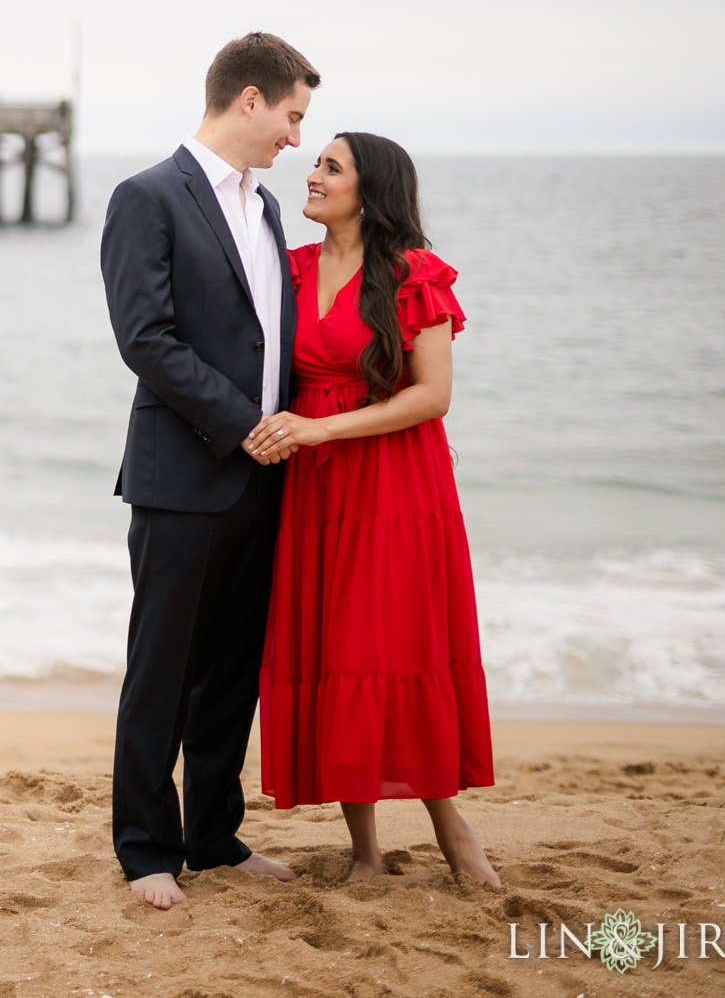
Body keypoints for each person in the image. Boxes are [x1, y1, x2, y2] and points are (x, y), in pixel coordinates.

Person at [245, 132, 501, 887]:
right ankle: (365, 851)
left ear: (372, 188)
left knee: (395, 648)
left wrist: (320, 427)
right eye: (316, 161)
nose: (313, 174)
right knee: (336, 652)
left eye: (331, 166)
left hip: (394, 483)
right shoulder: (290, 269)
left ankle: (450, 824)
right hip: (315, 490)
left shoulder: (413, 272)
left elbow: (432, 395)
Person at [100, 32, 317, 909]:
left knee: (232, 667)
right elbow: (144, 338)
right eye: (293, 115)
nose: (297, 138)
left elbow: (271, 339)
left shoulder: (264, 209)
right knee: (161, 665)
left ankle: (214, 834)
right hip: (184, 474)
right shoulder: (147, 196)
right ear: (250, 99)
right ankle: (147, 848)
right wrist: (245, 425)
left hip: (264, 477)